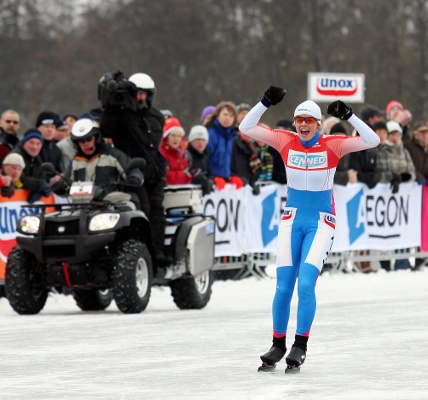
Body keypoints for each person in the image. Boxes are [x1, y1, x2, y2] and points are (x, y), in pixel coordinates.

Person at [239, 86, 380, 371]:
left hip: (320, 223)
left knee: (305, 285)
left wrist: (350, 115)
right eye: (299, 120)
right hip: (291, 221)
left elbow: (372, 139)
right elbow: (246, 126)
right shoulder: (284, 140)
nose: (303, 125)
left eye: (309, 121)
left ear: (317, 124)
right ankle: (278, 343)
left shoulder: (333, 144)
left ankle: (300, 346)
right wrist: (265, 102)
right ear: (294, 123)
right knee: (282, 288)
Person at [100, 71, 172, 266]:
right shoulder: (120, 114)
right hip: (130, 171)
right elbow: (106, 130)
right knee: (140, 209)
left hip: (153, 170)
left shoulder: (157, 116)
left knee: (157, 211)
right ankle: (139, 254)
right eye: (137, 93)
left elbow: (152, 143)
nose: (140, 97)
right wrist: (110, 106)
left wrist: (157, 168)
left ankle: (157, 252)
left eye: (145, 93)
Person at [65, 118, 143, 208]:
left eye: (89, 139)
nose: (85, 143)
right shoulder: (76, 162)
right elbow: (66, 183)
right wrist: (59, 186)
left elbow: (133, 170)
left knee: (126, 211)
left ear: (96, 138)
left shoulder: (113, 155)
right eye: (81, 141)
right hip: (84, 205)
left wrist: (134, 178)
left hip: (114, 201)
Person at [11, 129, 52, 203]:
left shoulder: (37, 159)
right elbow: (18, 180)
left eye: (38, 144)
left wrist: (39, 190)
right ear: (24, 143)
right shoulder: (15, 156)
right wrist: (39, 186)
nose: (34, 147)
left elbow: (42, 178)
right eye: (31, 143)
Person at [206, 101, 239, 189]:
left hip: (225, 181)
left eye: (231, 116)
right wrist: (212, 178)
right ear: (218, 116)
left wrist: (232, 176)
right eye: (225, 114)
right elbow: (205, 159)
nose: (227, 118)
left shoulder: (232, 136)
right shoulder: (210, 133)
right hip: (212, 182)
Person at [159, 117, 192, 185]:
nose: (176, 139)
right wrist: (186, 175)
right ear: (166, 137)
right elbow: (166, 177)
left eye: (179, 136)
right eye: (173, 135)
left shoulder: (183, 154)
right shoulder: (161, 153)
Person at [36, 111, 63, 187]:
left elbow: (58, 170)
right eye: (46, 126)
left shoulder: (56, 149)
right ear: (38, 128)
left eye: (52, 127)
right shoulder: (33, 146)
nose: (50, 130)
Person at [186, 125, 214, 195]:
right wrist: (202, 181)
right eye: (197, 139)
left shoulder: (206, 155)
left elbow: (210, 173)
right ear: (191, 141)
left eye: (203, 140)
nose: (200, 143)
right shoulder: (186, 156)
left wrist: (210, 180)